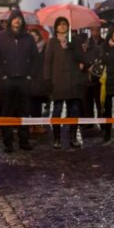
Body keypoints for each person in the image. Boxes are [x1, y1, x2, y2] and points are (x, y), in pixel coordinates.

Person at [0, 9, 38, 153]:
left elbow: (35, 58)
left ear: (22, 21)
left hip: (23, 80)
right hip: (7, 81)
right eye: (15, 18)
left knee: (24, 112)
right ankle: (8, 142)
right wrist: (1, 76)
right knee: (7, 113)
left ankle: (24, 140)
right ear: (10, 20)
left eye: (20, 18)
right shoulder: (0, 37)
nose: (17, 21)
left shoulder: (28, 38)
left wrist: (30, 75)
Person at [44, 17, 86, 149]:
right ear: (56, 27)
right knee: (57, 111)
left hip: (73, 82)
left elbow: (81, 57)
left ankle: (73, 138)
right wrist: (47, 79)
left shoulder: (74, 41)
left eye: (65, 24)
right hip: (58, 82)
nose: (62, 26)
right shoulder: (52, 42)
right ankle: (57, 138)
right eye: (60, 24)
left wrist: (70, 46)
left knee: (74, 111)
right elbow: (47, 62)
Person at [28, 27, 49, 134]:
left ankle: (37, 125)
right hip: (30, 79)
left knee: (38, 103)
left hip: (41, 79)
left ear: (39, 36)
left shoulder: (45, 47)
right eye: (31, 35)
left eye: (35, 35)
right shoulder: (27, 48)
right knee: (30, 103)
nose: (34, 37)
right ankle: (32, 125)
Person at [83, 27, 103, 120]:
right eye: (93, 30)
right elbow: (82, 58)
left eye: (96, 30)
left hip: (98, 78)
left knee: (100, 102)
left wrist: (95, 67)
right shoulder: (86, 43)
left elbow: (103, 59)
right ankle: (89, 122)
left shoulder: (103, 43)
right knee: (87, 103)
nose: (95, 32)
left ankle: (102, 121)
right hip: (87, 78)